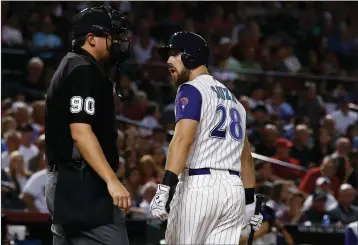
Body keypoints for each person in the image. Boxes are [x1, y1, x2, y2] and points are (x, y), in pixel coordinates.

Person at [149, 32, 263, 244]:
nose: (168, 61)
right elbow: (246, 159)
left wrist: (165, 188)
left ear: (190, 56)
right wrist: (249, 203)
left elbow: (183, 139)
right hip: (233, 191)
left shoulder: (192, 89)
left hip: (199, 186)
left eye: (175, 54)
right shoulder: (235, 102)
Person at [45, 5, 132, 245]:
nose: (117, 42)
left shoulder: (72, 65)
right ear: (91, 39)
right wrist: (112, 181)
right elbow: (81, 132)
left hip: (67, 181)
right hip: (82, 185)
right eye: (110, 36)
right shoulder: (83, 69)